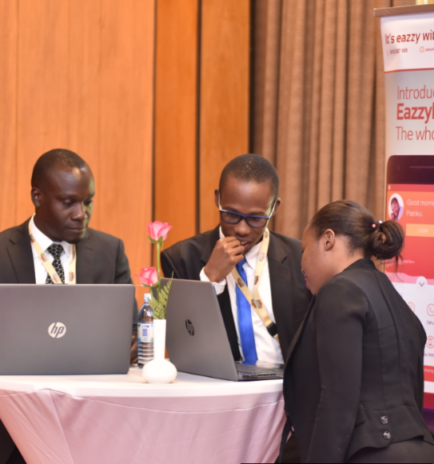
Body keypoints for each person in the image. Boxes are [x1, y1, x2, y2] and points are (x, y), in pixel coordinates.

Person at [161, 154, 310, 463]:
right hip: (217, 409)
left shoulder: (301, 258)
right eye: (231, 215)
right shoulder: (181, 258)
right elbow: (182, 345)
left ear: (274, 207)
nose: (241, 229)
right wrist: (209, 280)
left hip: (287, 407)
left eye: (255, 218)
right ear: (217, 198)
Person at [0, 149, 137, 464]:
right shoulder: (1, 251)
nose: (81, 214)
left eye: (88, 202)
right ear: (37, 197)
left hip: (93, 420)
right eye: (68, 203)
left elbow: (130, 329)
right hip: (13, 423)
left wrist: (129, 343)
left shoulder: (111, 251)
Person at [281, 200, 434, 463]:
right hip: (423, 451)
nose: (302, 264)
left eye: (304, 249)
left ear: (328, 239)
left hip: (372, 454)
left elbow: (337, 402)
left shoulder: (340, 290)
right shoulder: (397, 302)